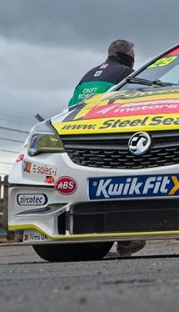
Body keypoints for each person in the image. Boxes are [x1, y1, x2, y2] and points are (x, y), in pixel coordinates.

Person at [68, 39, 146, 257]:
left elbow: (71, 106)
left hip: (78, 138)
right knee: (124, 185)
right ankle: (127, 239)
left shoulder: (87, 76)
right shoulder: (125, 74)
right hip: (109, 137)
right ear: (128, 56)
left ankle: (96, 235)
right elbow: (139, 105)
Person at [68, 40, 136, 107]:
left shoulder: (88, 75)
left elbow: (71, 105)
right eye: (133, 54)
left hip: (78, 113)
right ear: (129, 55)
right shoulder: (127, 73)